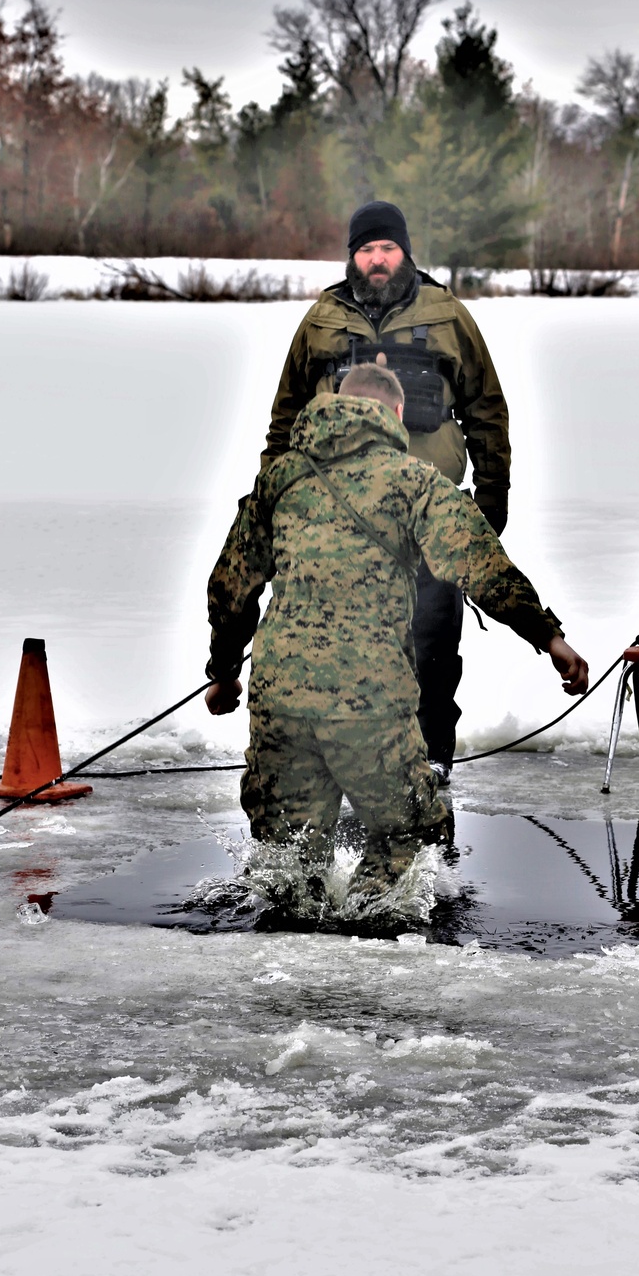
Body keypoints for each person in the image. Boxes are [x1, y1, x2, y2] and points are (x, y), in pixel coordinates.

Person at [206, 362, 588, 925]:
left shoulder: (280, 478)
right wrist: (549, 637)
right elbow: (482, 567)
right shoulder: (415, 482)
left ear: (334, 404)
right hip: (368, 704)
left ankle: (286, 989)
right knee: (409, 839)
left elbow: (232, 584)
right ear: (398, 415)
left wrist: (224, 668)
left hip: (279, 697)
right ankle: (374, 960)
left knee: (287, 862)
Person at [259, 199, 511, 778]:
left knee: (431, 643)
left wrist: (490, 503)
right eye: (366, 249)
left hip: (426, 514)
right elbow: (286, 414)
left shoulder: (447, 315)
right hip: (335, 520)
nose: (377, 260)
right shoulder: (322, 319)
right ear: (353, 256)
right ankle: (344, 763)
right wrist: (276, 494)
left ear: (405, 251)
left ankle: (432, 761)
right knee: (342, 646)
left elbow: (487, 408)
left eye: (386, 248)